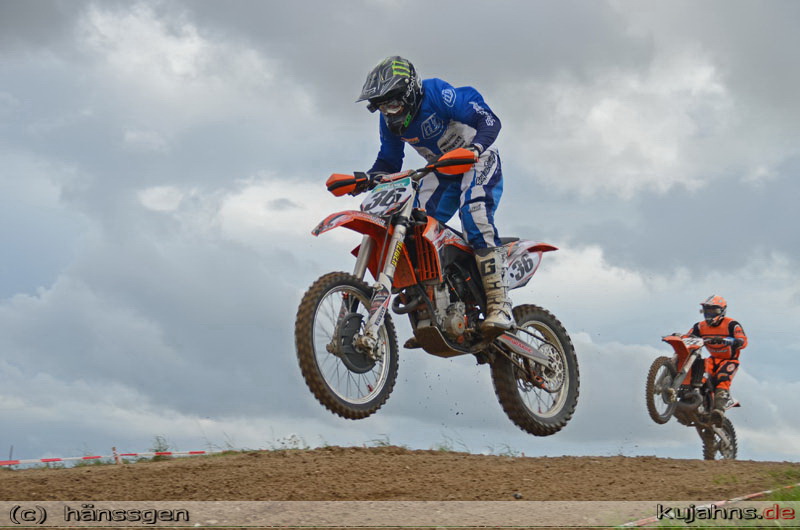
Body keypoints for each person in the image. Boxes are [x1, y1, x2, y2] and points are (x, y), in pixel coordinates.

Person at [356, 56, 511, 336]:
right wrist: (367, 178)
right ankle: (434, 303)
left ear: (409, 93)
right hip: (441, 169)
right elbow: (389, 160)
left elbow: (488, 120)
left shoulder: (438, 94)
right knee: (413, 227)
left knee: (474, 214)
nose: (389, 112)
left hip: (477, 158)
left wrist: (475, 148)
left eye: (393, 104)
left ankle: (500, 304)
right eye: (382, 106)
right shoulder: (388, 120)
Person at [684, 295, 748, 424]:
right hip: (712, 359)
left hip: (729, 360)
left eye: (714, 310)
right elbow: (689, 337)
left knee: (722, 379)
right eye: (707, 310)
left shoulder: (731, 324)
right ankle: (692, 398)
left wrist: (730, 340)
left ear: (722, 311)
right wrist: (680, 337)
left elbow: (743, 341)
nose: (710, 314)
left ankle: (718, 411)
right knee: (698, 371)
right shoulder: (700, 326)